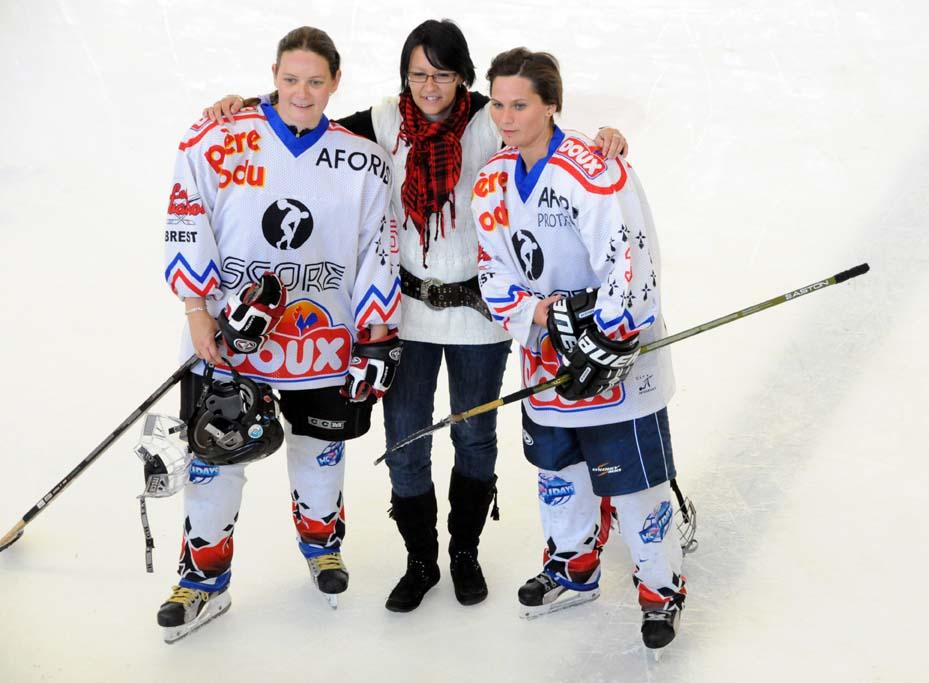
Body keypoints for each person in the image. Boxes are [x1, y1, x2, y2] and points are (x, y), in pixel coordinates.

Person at [203, 19, 628, 613]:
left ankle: (464, 553)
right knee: (405, 442)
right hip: (405, 315)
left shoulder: (489, 119)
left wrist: (600, 139)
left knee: (474, 435)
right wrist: (251, 103)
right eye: (418, 73)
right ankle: (421, 559)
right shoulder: (382, 122)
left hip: (479, 314)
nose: (429, 86)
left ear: (463, 76)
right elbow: (308, 116)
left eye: (443, 74)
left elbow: (544, 135)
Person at [161, 26, 399, 643]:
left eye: (315, 81)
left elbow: (380, 246)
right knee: (215, 456)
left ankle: (322, 545)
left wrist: (376, 332)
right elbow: (187, 218)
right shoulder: (217, 138)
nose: (302, 92)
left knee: (320, 450)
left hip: (321, 338)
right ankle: (203, 579)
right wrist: (196, 310)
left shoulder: (363, 161)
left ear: (336, 83)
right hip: (230, 336)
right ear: (273, 74)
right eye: (291, 79)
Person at [472, 48, 686, 650]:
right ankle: (573, 568)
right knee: (558, 474)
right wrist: (540, 314)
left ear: (551, 106)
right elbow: (492, 270)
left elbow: (630, 262)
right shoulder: (492, 181)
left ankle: (661, 588)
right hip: (546, 358)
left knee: (637, 484)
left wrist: (607, 336)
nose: (506, 118)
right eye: (498, 104)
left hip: (616, 365)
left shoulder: (594, 168)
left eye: (520, 105)